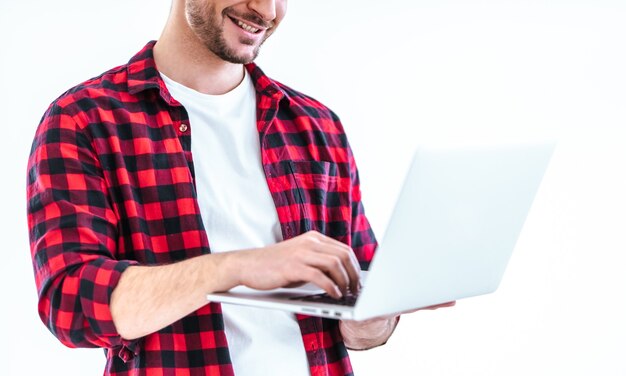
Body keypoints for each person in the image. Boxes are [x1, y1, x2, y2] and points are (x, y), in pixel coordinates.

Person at [27, 1, 453, 375]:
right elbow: (71, 305)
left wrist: (374, 315)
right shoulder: (84, 119)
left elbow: (356, 325)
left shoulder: (316, 125)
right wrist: (239, 267)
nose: (266, 10)